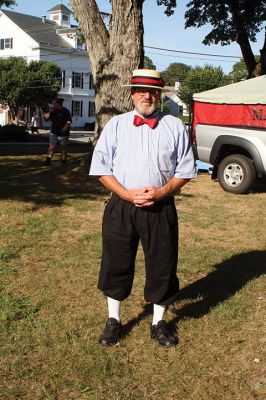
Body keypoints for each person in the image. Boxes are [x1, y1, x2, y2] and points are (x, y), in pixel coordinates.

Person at [89, 69, 197, 347]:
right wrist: (126, 194)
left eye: (152, 91)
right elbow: (101, 168)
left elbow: (185, 171)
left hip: (161, 209)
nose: (146, 96)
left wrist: (161, 192)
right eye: (140, 90)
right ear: (132, 93)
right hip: (121, 208)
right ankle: (113, 320)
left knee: (163, 264)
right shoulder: (116, 125)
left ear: (159, 95)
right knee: (116, 263)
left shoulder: (174, 126)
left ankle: (158, 322)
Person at [43, 98, 72, 166]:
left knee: (63, 147)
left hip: (63, 133)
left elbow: (69, 121)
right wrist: (50, 112)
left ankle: (63, 162)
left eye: (55, 104)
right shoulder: (53, 111)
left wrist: (66, 126)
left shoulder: (65, 111)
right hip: (54, 132)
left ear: (59, 104)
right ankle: (48, 161)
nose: (53, 105)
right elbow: (46, 118)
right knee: (51, 146)